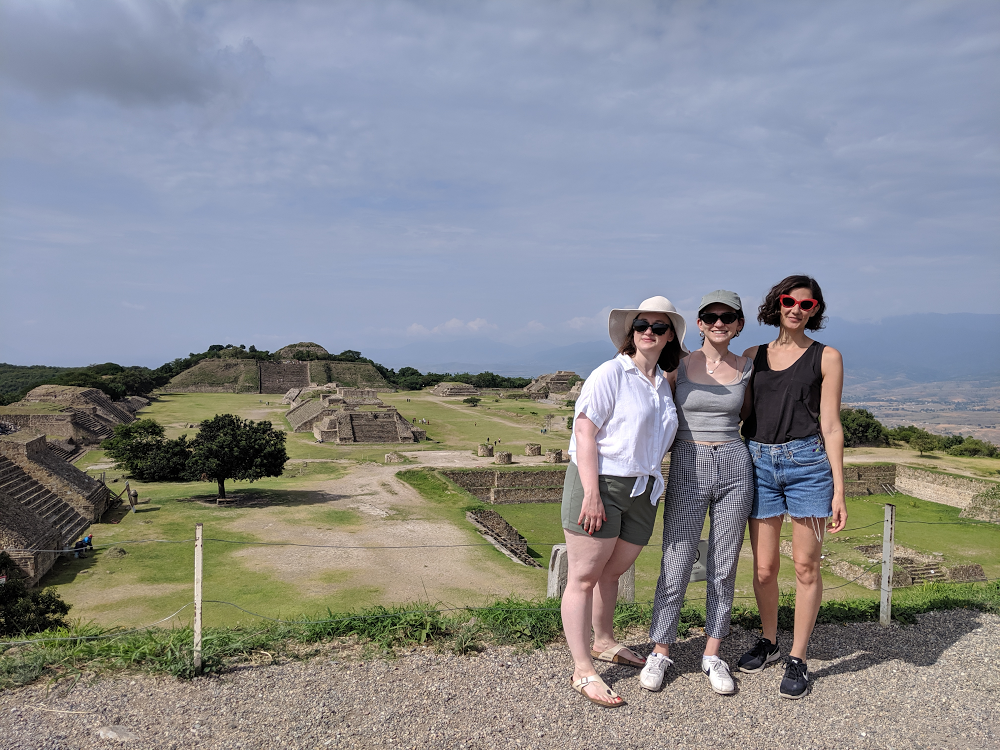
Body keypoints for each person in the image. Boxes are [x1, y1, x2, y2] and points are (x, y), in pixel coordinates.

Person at [561, 296, 687, 707]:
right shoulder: (610, 373)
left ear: (670, 336)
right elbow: (584, 432)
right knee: (582, 576)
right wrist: (592, 494)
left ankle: (603, 641)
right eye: (642, 325)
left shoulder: (662, 383)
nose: (649, 332)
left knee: (613, 572)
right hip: (602, 483)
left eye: (659, 327)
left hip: (644, 488)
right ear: (630, 332)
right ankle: (582, 669)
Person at [737, 274, 847, 700]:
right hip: (759, 462)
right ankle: (769, 640)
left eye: (807, 304)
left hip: (807, 465)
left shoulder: (827, 356)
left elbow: (831, 424)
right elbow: (739, 409)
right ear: (776, 304)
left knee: (806, 567)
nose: (796, 309)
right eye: (789, 301)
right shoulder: (753, 355)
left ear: (815, 310)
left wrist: (839, 489)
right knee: (764, 568)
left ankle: (798, 657)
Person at [642, 290, 754, 695]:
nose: (719, 323)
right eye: (711, 316)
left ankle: (712, 652)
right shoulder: (680, 367)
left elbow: (747, 417)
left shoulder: (747, 369)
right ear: (700, 323)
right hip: (688, 461)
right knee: (677, 556)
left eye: (728, 317)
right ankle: (661, 648)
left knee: (723, 564)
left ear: (739, 324)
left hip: (734, 464)